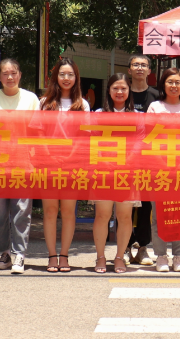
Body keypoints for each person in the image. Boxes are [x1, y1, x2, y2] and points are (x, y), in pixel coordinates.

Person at [0, 58, 39, 274]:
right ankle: (5, 252)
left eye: (14, 73)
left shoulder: (31, 99)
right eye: (5, 73)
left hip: (22, 163)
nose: (10, 77)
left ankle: (19, 254)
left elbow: (36, 132)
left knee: (21, 212)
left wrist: (34, 161)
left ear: (20, 75)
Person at [40, 57, 89, 273]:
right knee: (50, 211)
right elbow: (39, 134)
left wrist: (70, 155)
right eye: (62, 74)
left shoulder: (82, 104)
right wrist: (49, 154)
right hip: (48, 164)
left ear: (76, 77)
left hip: (72, 165)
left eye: (70, 74)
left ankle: (65, 256)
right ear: (55, 77)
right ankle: (52, 256)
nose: (66, 78)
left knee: (68, 211)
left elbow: (85, 137)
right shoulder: (45, 103)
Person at [147, 67, 180, 272]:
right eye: (170, 82)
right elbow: (148, 138)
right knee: (159, 214)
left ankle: (179, 256)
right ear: (163, 84)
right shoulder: (155, 107)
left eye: (178, 82)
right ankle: (160, 256)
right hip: (159, 169)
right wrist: (160, 161)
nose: (174, 86)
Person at [93, 73, 138, 274]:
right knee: (102, 215)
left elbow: (140, 143)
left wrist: (126, 162)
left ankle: (119, 257)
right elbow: (92, 141)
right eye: (115, 88)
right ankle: (100, 257)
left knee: (124, 216)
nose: (119, 92)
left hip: (127, 172)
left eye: (123, 88)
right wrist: (106, 162)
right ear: (109, 91)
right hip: (103, 171)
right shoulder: (98, 114)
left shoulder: (137, 115)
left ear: (129, 91)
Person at [126, 54, 163, 266]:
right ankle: (124, 247)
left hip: (149, 159)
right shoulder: (122, 92)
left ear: (149, 70)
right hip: (124, 159)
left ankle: (142, 247)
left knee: (146, 205)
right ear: (129, 69)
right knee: (124, 204)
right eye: (136, 65)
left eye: (144, 65)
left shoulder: (157, 97)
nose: (140, 68)